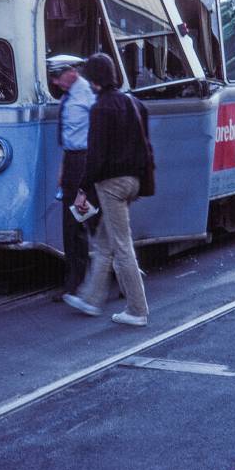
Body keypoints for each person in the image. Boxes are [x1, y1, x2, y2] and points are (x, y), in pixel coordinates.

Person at [62, 53, 152, 327]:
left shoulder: (101, 108)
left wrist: (82, 190)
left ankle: (137, 309)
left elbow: (96, 156)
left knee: (122, 246)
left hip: (111, 185)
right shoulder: (132, 102)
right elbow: (145, 146)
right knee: (103, 242)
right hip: (133, 181)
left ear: (94, 80)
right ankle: (90, 298)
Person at [49, 54, 95, 295]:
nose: (55, 82)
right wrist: (63, 168)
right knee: (73, 223)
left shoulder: (87, 94)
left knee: (85, 221)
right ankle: (75, 280)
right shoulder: (69, 96)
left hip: (85, 161)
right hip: (72, 162)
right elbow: (69, 138)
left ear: (71, 71)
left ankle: (123, 274)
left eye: (58, 76)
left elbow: (95, 133)